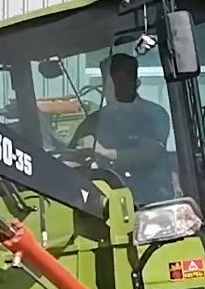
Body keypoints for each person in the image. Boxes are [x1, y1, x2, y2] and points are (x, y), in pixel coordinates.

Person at [69, 52, 176, 204]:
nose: (113, 90)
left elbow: (150, 153)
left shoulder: (154, 115)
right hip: (104, 202)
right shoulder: (93, 121)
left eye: (121, 84)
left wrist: (103, 152)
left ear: (137, 83)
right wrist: (80, 152)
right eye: (109, 84)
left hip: (152, 201)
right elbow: (71, 155)